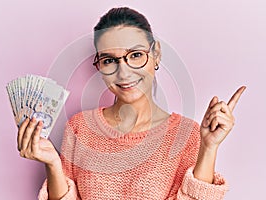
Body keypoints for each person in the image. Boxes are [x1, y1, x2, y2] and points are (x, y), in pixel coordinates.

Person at [17, 7, 246, 200]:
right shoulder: (80, 128)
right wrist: (53, 164)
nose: (123, 72)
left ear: (155, 54)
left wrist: (209, 147)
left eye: (135, 55)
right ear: (99, 65)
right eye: (109, 60)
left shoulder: (187, 135)